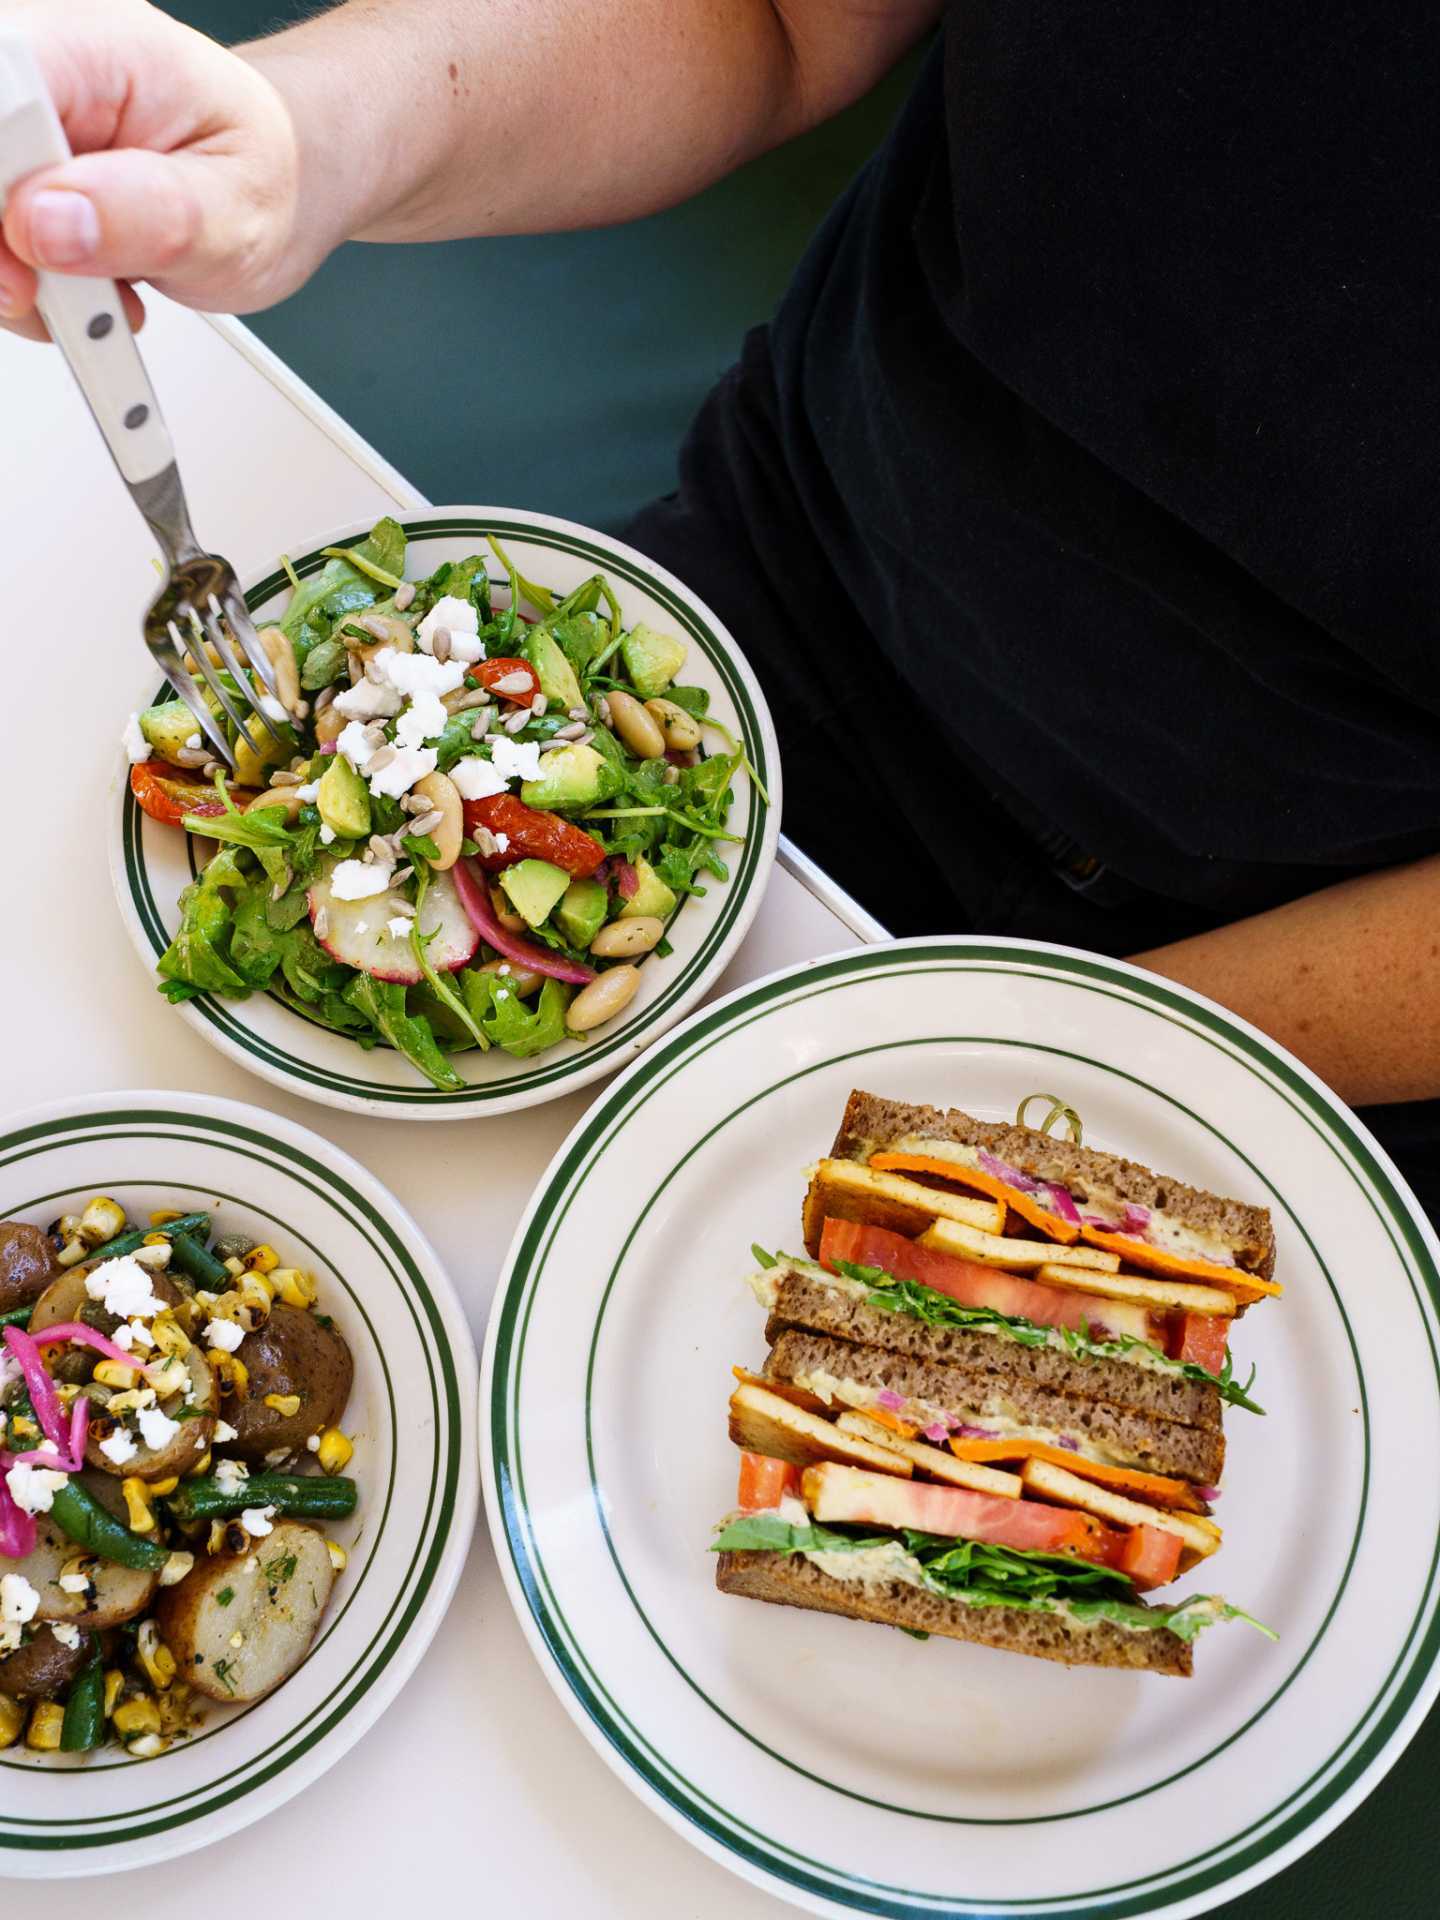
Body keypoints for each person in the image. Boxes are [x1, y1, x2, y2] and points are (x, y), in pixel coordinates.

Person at [3, 1, 1436, 1217]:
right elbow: (774, 20)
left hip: (1293, 979)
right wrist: (299, 139)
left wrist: (1041, 1049)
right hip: (746, 637)